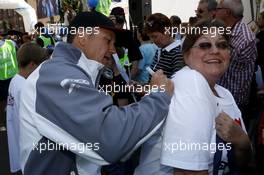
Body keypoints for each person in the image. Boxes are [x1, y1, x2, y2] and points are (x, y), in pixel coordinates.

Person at [19, 11, 174, 175]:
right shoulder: (56, 74)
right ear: (82, 37)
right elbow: (109, 137)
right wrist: (159, 95)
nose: (113, 50)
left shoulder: (75, 72)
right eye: (108, 41)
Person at [135, 20, 252, 175]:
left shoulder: (225, 93)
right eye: (205, 45)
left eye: (222, 45)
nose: (215, 50)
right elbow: (187, 172)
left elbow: (241, 162)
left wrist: (241, 140)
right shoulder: (189, 81)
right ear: (186, 55)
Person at [6, 43, 49, 174]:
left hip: (21, 149)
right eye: (40, 66)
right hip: (32, 152)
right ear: (32, 65)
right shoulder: (27, 87)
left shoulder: (15, 81)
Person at [215, 0, 257, 129]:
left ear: (227, 12)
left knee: (231, 142)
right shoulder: (226, 30)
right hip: (221, 96)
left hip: (234, 102)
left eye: (218, 9)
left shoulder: (245, 38)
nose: (214, 12)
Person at [145, 13, 185, 78]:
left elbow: (178, 85)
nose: (152, 41)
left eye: (155, 36)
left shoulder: (177, 54)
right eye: (150, 37)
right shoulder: (160, 50)